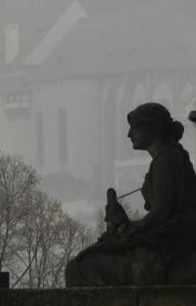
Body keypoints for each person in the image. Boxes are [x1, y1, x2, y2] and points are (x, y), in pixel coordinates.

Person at [66, 103, 196, 286]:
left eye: (134, 128)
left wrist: (129, 228)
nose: (129, 134)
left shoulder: (164, 161)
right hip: (173, 240)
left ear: (151, 129)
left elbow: (162, 213)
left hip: (169, 246)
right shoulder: (171, 157)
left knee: (80, 266)